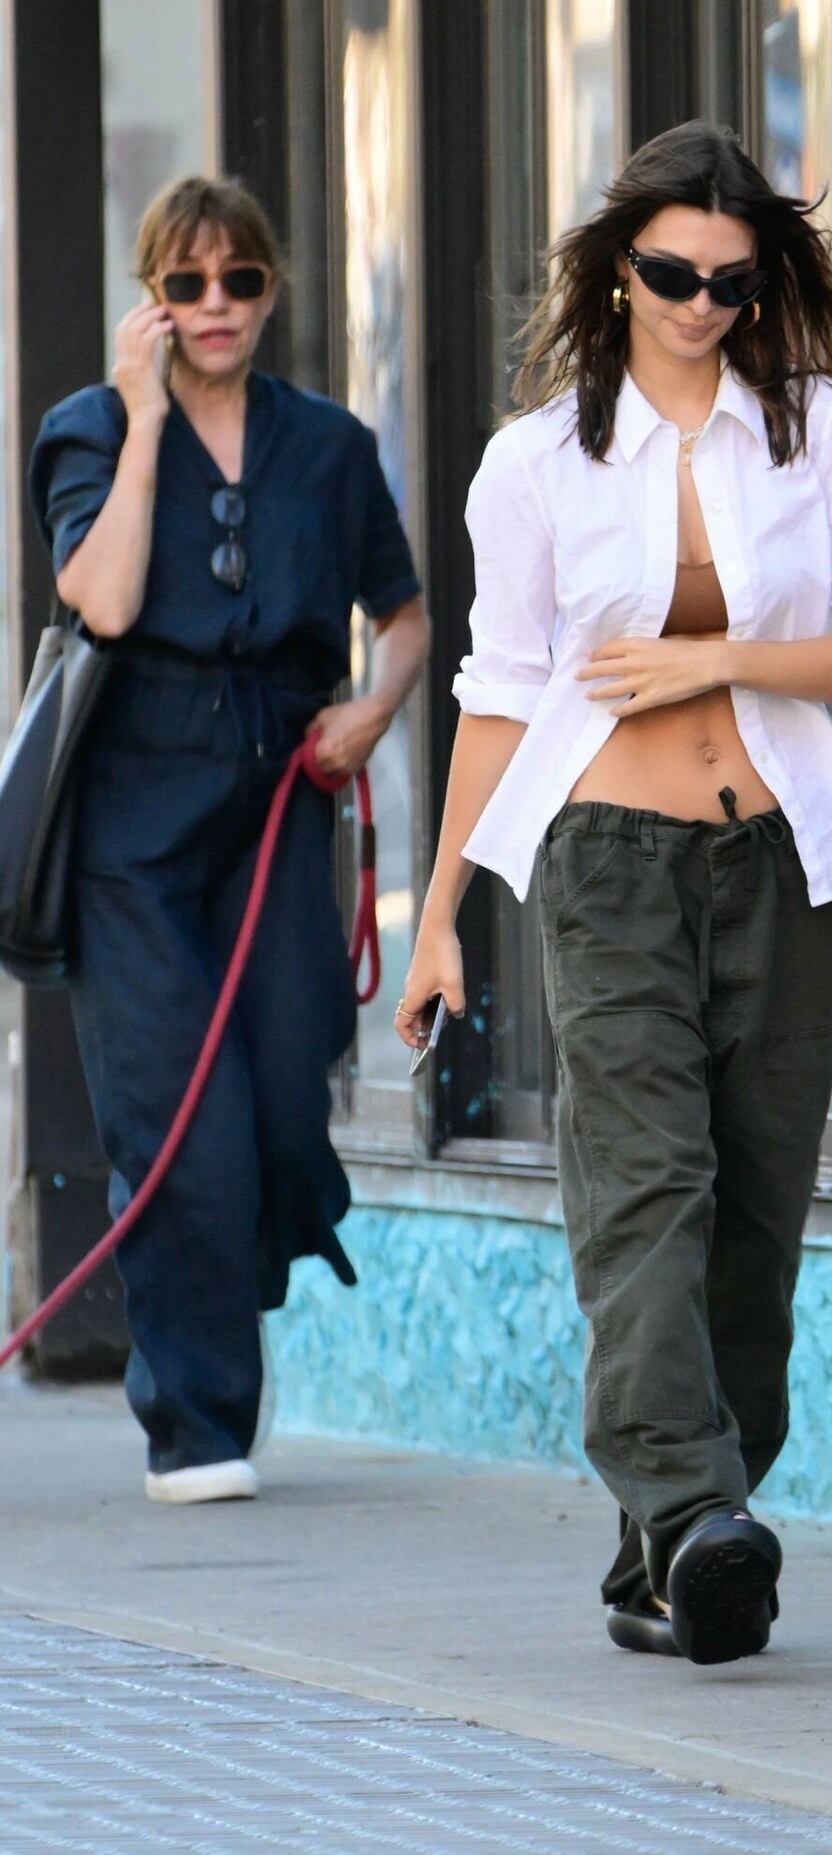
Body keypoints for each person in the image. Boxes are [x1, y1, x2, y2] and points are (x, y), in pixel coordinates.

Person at [396, 121, 832, 1664]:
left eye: (730, 280)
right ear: (615, 268)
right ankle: (695, 1514)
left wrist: (718, 659)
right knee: (644, 1190)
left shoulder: (812, 431)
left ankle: (679, 1547)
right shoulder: (534, 462)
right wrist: (437, 917)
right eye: (671, 274)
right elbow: (496, 694)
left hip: (788, 863)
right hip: (606, 861)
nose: (700, 304)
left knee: (755, 1217)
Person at [28, 175, 428, 1502]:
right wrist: (145, 417)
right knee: (176, 1124)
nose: (215, 306)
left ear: (270, 292)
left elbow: (406, 618)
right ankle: (195, 1423)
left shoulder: (330, 446)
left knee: (281, 1109)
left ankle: (228, 1272)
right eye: (186, 284)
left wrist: (374, 709)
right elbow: (103, 597)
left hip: (280, 798)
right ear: (150, 296)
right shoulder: (87, 430)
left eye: (239, 281)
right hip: (132, 817)